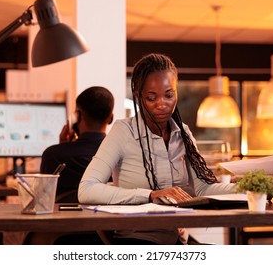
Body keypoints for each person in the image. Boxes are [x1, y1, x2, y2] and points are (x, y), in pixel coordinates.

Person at [78, 53, 237, 245]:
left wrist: (252, 188)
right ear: (138, 96)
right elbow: (86, 189)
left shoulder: (183, 134)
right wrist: (150, 195)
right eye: (151, 97)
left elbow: (203, 188)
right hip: (136, 241)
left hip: (178, 240)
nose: (162, 104)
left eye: (169, 95)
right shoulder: (123, 132)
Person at [40, 86, 114, 203]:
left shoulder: (52, 155)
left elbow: (44, 200)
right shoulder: (118, 156)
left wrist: (62, 148)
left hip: (64, 221)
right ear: (110, 118)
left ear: (78, 116)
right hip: (106, 220)